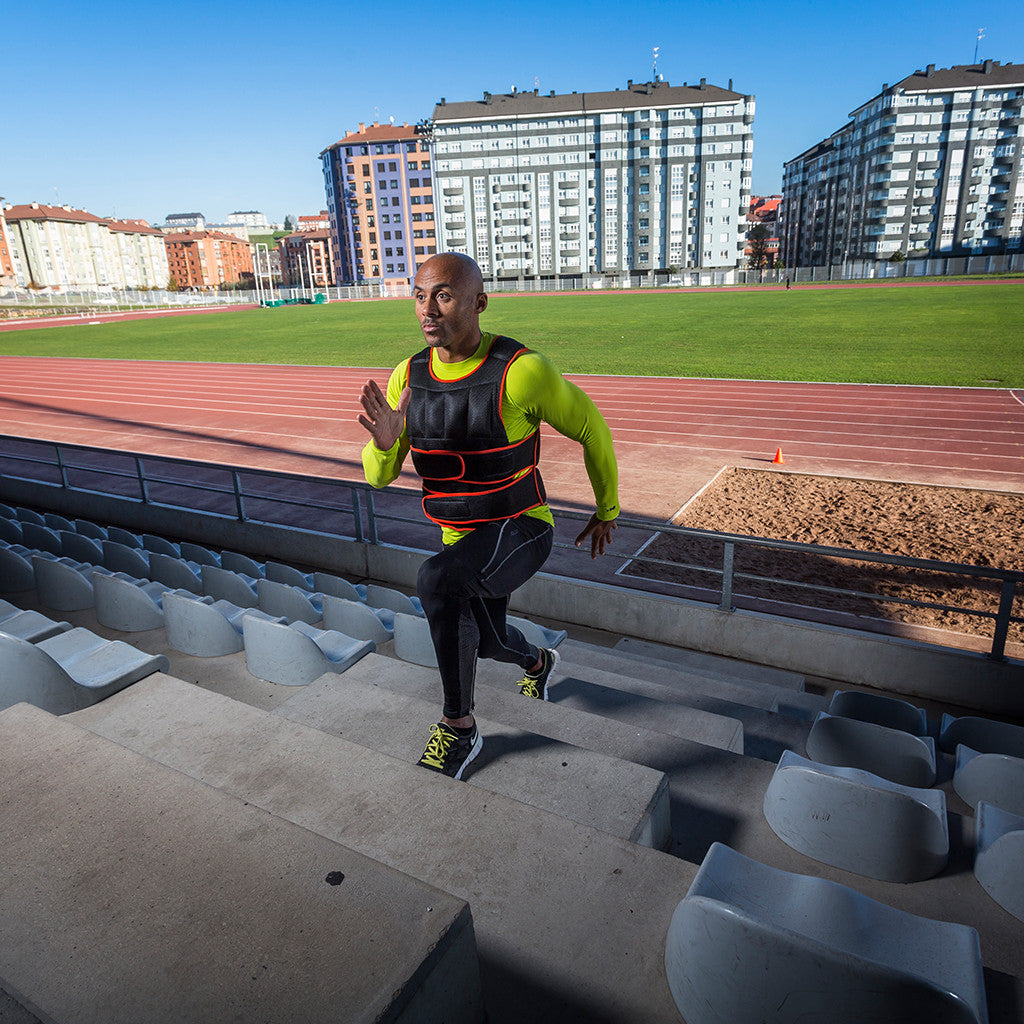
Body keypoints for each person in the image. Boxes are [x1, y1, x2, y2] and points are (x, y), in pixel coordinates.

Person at [358, 252, 619, 780]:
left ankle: (459, 729)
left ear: (479, 302)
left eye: (444, 296)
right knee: (491, 638)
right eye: (418, 295)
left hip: (523, 526)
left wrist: (606, 508)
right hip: (464, 539)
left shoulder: (522, 372)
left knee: (437, 580)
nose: (427, 309)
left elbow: (592, 427)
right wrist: (386, 446)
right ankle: (539, 663)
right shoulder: (407, 376)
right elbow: (377, 478)